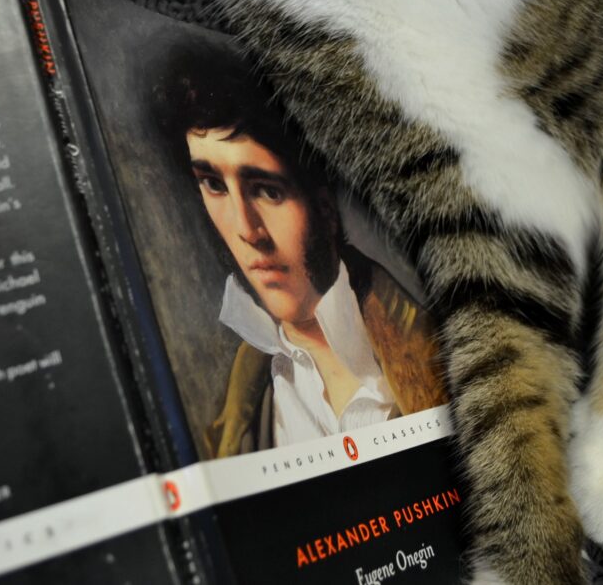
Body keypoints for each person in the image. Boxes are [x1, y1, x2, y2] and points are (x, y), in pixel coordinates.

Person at [156, 45, 446, 457]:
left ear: (325, 207)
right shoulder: (245, 403)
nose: (246, 230)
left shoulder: (437, 353)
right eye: (214, 185)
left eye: (268, 190)